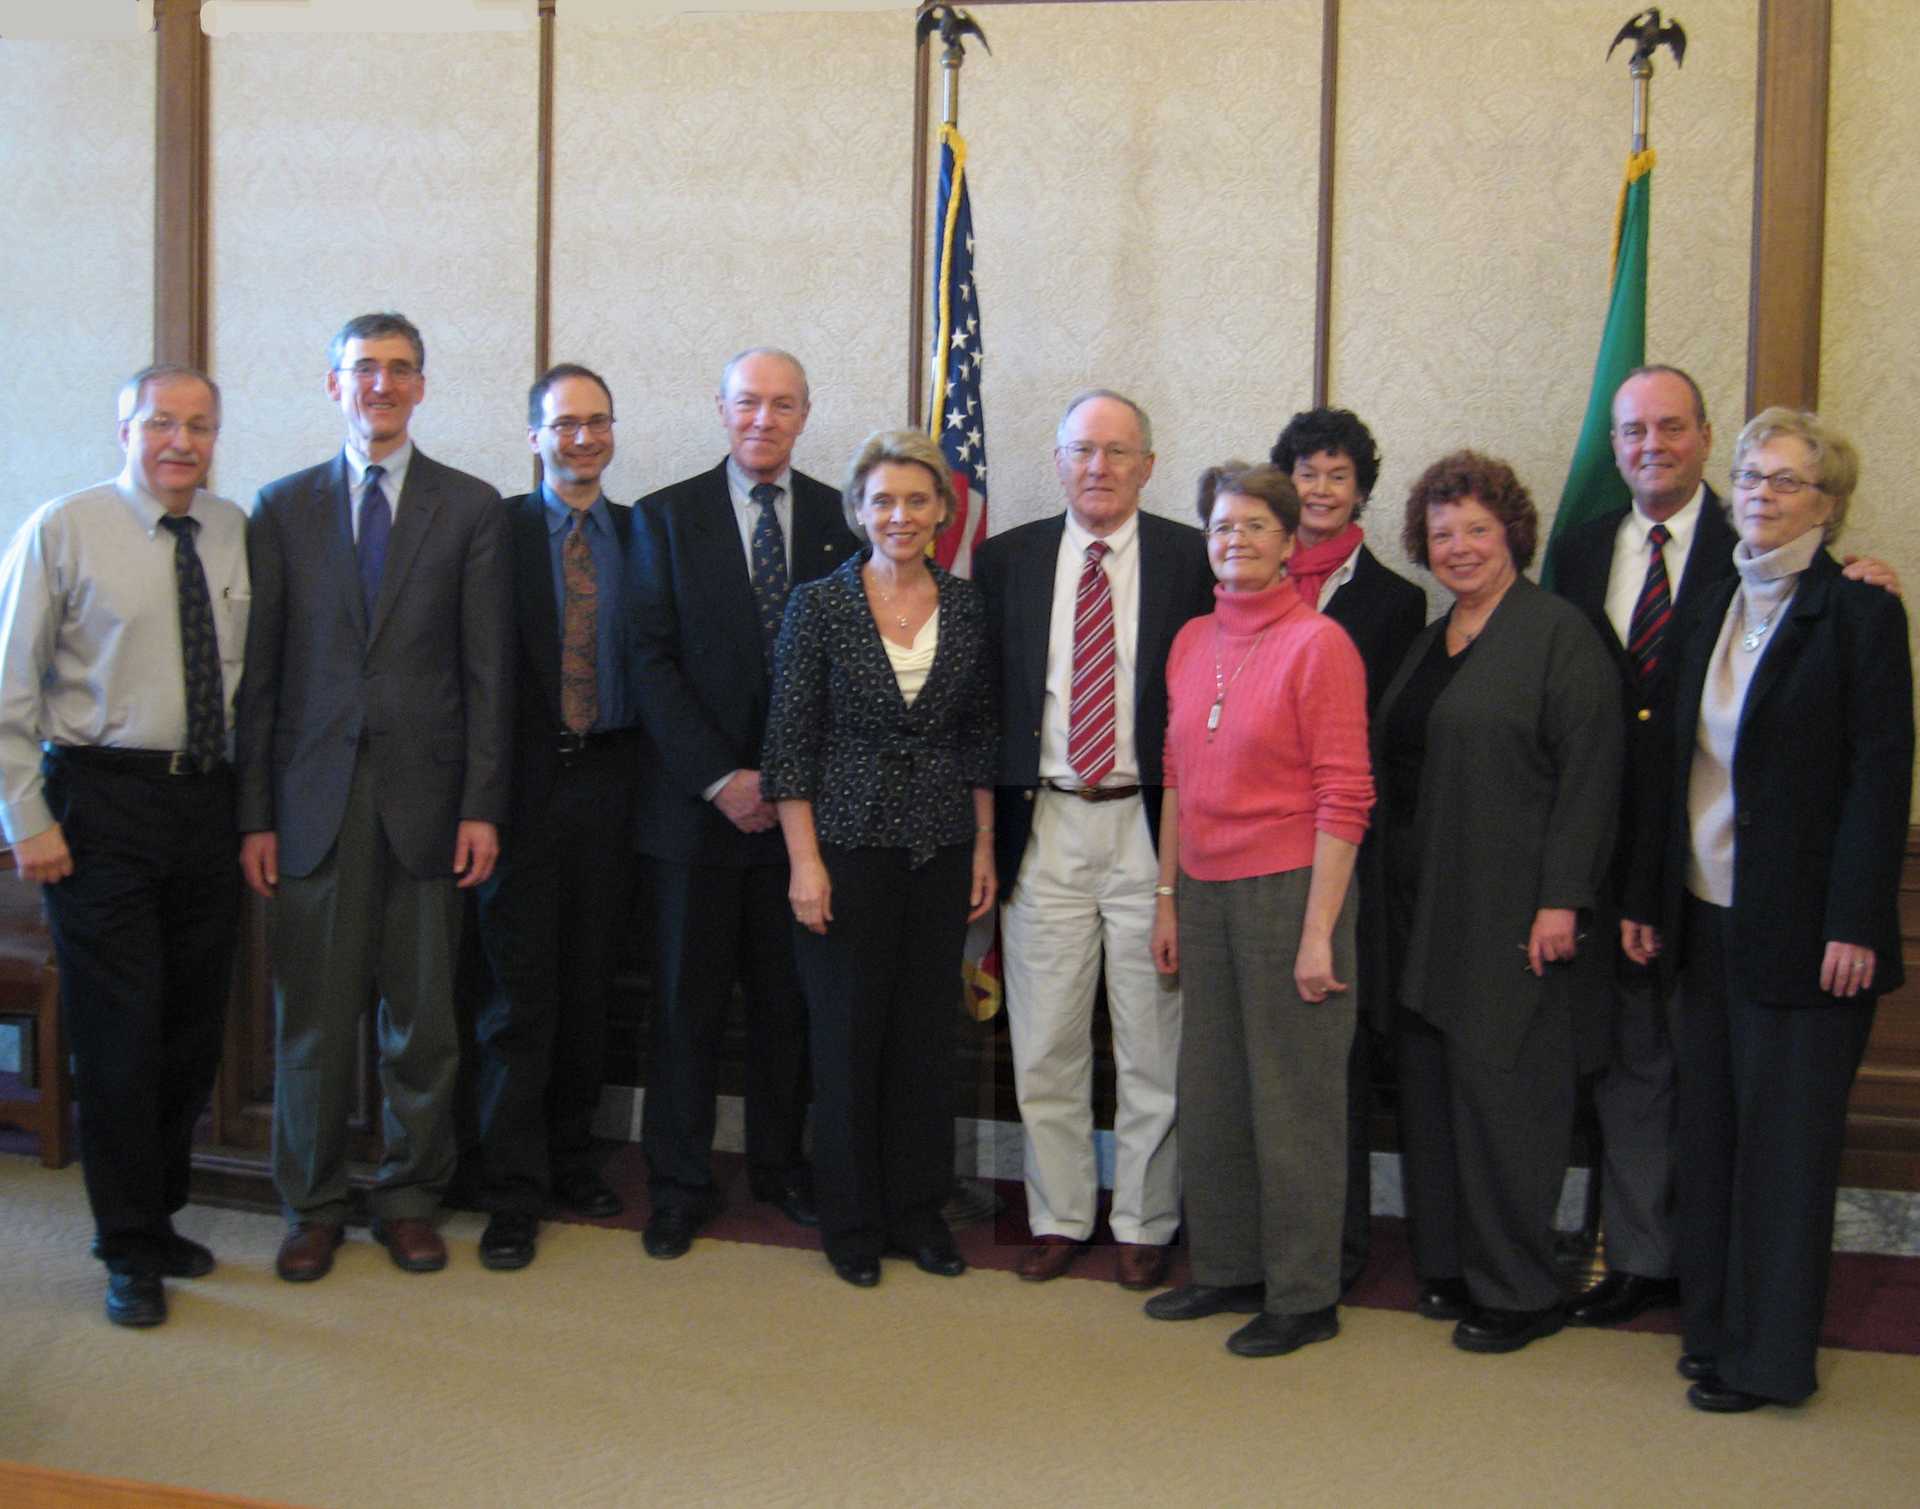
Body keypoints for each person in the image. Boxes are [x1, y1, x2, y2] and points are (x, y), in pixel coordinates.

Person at [1545, 366, 1901, 1329]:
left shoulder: (1822, 591)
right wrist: (1625, 893)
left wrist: (1858, 916)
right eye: (1632, 430)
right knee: (1669, 1098)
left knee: (1766, 1125)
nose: (1650, 445)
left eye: (1672, 427)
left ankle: (1755, 1326)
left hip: (1784, 908)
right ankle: (1675, 1290)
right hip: (1657, 879)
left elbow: (1873, 770)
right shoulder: (1615, 569)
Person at [1621, 409, 1911, 1412]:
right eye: (1751, 476)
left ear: (1827, 505)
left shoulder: (1861, 614)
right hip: (1708, 918)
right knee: (1713, 1140)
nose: (1762, 494)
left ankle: (1772, 1359)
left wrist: (1857, 923)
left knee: (1786, 1158)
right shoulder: (1711, 603)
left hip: (1809, 934)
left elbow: (1881, 779)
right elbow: (1674, 769)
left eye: (1787, 481)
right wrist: (1653, 900)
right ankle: (1715, 1332)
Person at [237, 312, 512, 1282]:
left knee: (425, 1022)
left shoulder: (470, 508)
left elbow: (488, 678)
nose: (381, 385)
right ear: (333, 385)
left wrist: (482, 805)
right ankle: (310, 1206)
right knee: (312, 1022)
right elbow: (260, 680)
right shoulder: (279, 509)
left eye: (399, 370)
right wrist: (256, 815)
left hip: (429, 809)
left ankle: (408, 1197)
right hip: (310, 808)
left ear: (422, 387)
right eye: (363, 370)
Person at [0, 365, 246, 1327]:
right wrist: (29, 821)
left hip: (207, 805)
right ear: (124, 427)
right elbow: (9, 693)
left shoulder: (230, 531)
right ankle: (127, 1245)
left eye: (200, 425)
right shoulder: (64, 527)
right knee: (120, 1033)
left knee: (190, 1027)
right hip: (99, 807)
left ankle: (159, 1211)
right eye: (161, 423)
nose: (181, 441)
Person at [1373, 450, 1621, 1354]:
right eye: (1442, 532)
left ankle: (1520, 1289)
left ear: (1513, 531)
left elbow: (1593, 775)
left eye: (1477, 528)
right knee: (1436, 1091)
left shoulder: (1559, 632)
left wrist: (1563, 899)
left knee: (1508, 1098)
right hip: (1421, 905)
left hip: (1513, 908)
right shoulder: (1429, 637)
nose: (1460, 546)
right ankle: (1450, 1264)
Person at [974, 389, 1215, 1289]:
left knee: (1154, 1040)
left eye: (1119, 452)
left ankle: (1148, 1217)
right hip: (1048, 823)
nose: (1100, 468)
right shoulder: (1006, 561)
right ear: (1059, 460)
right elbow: (987, 703)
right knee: (1045, 1040)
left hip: (1152, 828)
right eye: (1084, 451)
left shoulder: (1194, 559)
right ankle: (1060, 1212)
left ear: (1149, 465)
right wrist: (985, 839)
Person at [628, 348, 859, 1259]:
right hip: (694, 817)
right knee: (684, 1009)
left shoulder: (846, 524)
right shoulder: (664, 518)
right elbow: (649, 662)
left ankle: (778, 1168)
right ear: (720, 410)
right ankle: (679, 1183)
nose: (764, 419)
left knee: (787, 1009)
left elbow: (852, 669)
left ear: (805, 414)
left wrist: (787, 784)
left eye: (783, 405)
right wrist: (722, 778)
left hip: (804, 825)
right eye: (748, 403)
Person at [1143, 463, 1373, 1357]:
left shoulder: (1321, 645)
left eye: (1253, 526)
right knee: (1213, 1093)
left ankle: (1304, 1293)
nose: (1233, 540)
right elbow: (1174, 774)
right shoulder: (1191, 638)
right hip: (1200, 888)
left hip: (1290, 892)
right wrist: (1167, 894)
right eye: (1219, 527)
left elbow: (1346, 797)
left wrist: (1319, 931)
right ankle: (1229, 1268)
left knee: (1294, 1101)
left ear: (1288, 542)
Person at [761, 429, 996, 1287]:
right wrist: (804, 862)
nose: (900, 515)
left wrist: (983, 847)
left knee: (925, 1040)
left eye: (917, 500)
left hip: (938, 849)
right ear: (858, 511)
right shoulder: (819, 604)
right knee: (848, 1038)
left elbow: (979, 737)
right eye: (883, 500)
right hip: (844, 850)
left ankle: (918, 1212)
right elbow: (789, 746)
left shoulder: (967, 605)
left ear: (941, 512)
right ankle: (852, 1222)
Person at [471, 364, 643, 1271]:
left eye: (598, 422)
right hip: (521, 791)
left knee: (589, 990)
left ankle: (573, 1159)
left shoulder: (639, 533)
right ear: (534, 435)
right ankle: (510, 1188)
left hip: (613, 786)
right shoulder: (494, 531)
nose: (583, 438)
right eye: (565, 424)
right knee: (516, 998)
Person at [1269, 406, 1425, 1292]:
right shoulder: (1244, 575)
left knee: (1337, 1052)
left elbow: (1391, 741)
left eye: (1336, 474)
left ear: (1362, 487)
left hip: (1346, 851)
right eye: (1305, 472)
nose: (1320, 489)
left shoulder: (1397, 602)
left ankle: (1340, 1246)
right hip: (1249, 848)